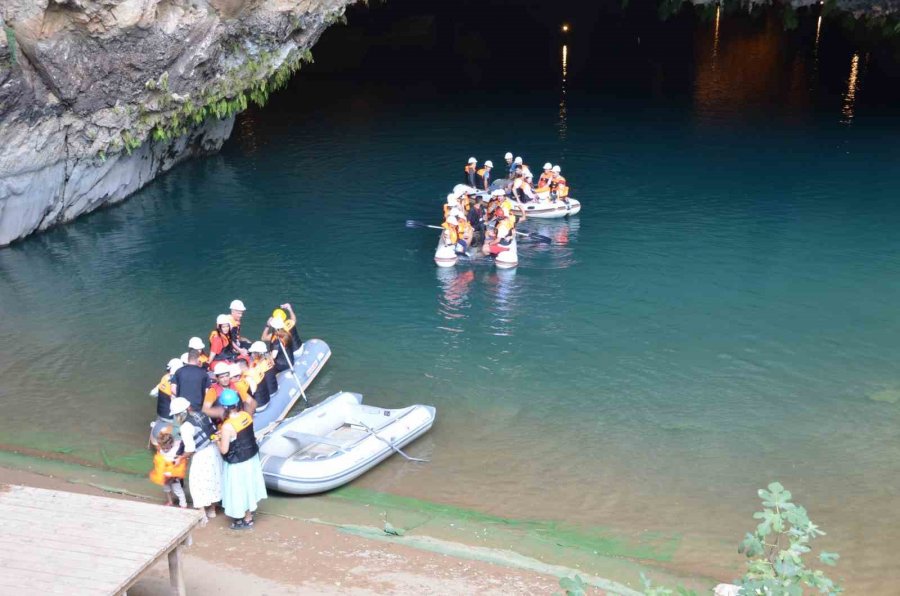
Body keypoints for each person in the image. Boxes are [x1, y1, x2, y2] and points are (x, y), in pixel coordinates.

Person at [216, 389, 268, 530]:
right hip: (251, 458)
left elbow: (224, 450)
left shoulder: (227, 426)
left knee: (239, 489)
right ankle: (249, 514)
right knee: (249, 486)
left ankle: (244, 518)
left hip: (237, 462)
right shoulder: (246, 415)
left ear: (224, 407)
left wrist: (217, 440)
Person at [170, 397, 222, 524]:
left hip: (202, 455)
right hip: (214, 450)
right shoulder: (202, 414)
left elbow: (190, 448)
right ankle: (212, 510)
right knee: (214, 479)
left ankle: (202, 514)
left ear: (180, 414)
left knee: (197, 483)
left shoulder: (185, 427)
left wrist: (182, 457)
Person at [148, 425, 188, 507]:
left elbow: (180, 463)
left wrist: (176, 475)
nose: (165, 450)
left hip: (173, 475)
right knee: (166, 489)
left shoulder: (176, 450)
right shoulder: (161, 450)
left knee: (178, 490)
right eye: (163, 448)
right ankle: (170, 501)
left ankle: (183, 504)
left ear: (171, 444)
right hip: (164, 475)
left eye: (166, 448)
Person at [150, 358, 183, 446]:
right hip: (170, 418)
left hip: (161, 414)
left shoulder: (164, 378)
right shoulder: (175, 384)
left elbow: (153, 393)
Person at [246, 341, 278, 412]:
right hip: (272, 390)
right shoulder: (268, 358)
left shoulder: (257, 367)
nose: (252, 354)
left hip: (260, 404)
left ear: (258, 353)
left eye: (253, 352)